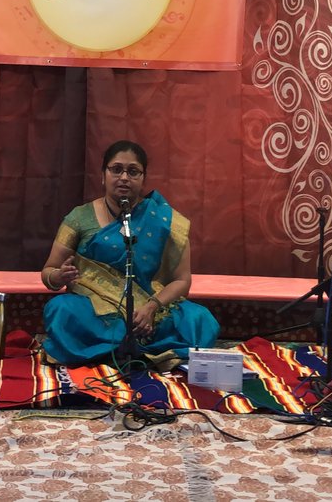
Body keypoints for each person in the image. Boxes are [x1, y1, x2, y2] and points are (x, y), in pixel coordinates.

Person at [40, 140, 219, 370]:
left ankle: (110, 349)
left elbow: (182, 281)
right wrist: (58, 277)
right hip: (97, 312)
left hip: (150, 309)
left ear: (143, 178)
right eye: (116, 169)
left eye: (133, 171)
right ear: (103, 175)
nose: (124, 177)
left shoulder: (164, 220)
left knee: (200, 320)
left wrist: (151, 309)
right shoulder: (79, 218)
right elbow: (48, 271)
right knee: (60, 311)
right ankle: (146, 349)